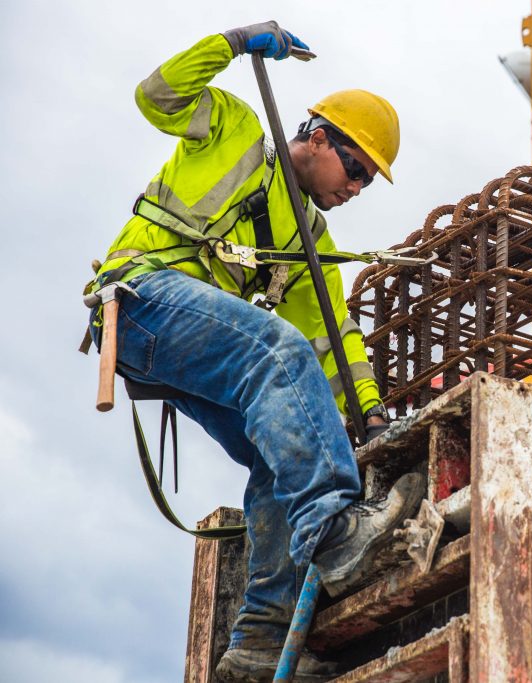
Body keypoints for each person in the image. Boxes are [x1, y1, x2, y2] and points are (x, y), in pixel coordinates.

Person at [84, 21, 424, 683]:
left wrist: (376, 419)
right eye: (353, 167)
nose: (355, 187)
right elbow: (156, 95)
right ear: (318, 137)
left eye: (367, 183)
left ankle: (261, 643)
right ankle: (334, 531)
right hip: (142, 298)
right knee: (278, 353)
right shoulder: (235, 128)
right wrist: (235, 43)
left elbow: (336, 342)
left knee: (281, 439)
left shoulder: (311, 238)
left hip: (182, 336)